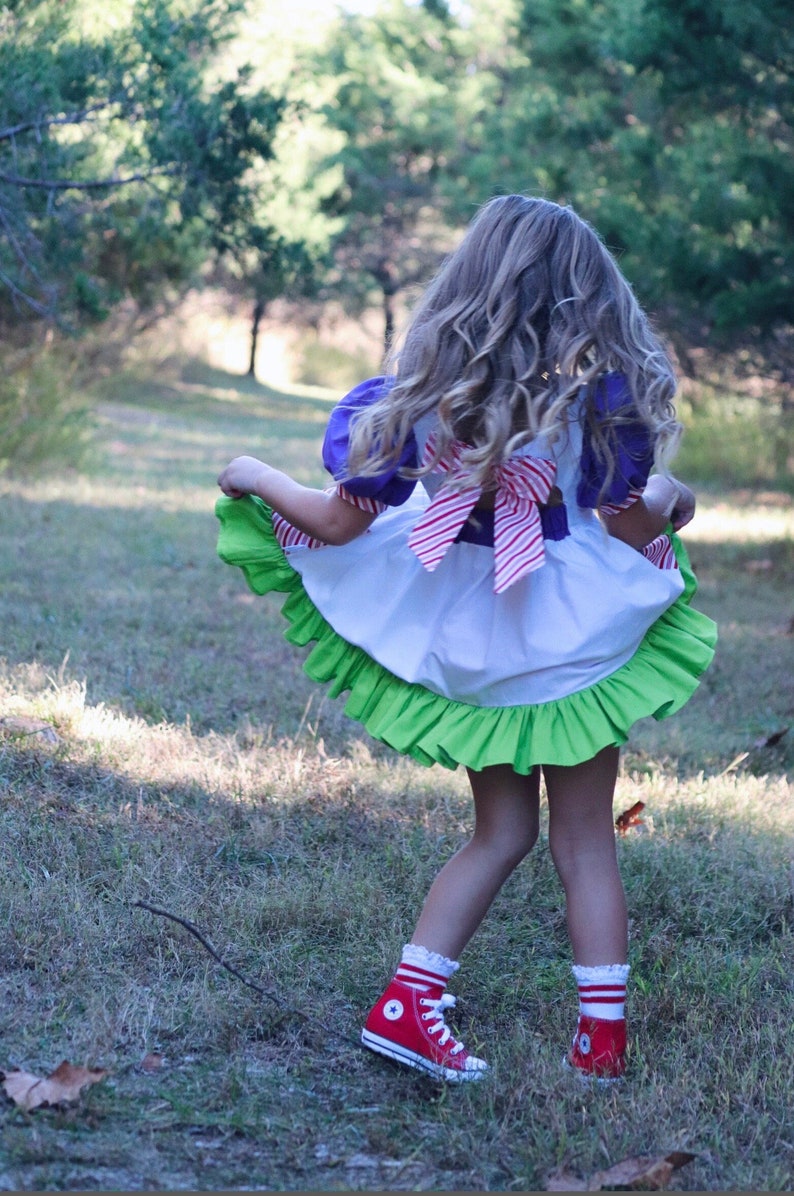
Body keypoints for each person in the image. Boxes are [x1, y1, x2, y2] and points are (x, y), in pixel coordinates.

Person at [216, 195, 717, 1084]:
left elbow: (335, 526)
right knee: (586, 838)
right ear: (589, 296)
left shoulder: (418, 402)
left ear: (469, 284)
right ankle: (600, 1041)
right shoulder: (600, 404)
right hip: (567, 646)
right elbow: (636, 528)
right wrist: (673, 500)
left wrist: (258, 476)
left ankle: (408, 1005)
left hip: (475, 646)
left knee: (500, 830)